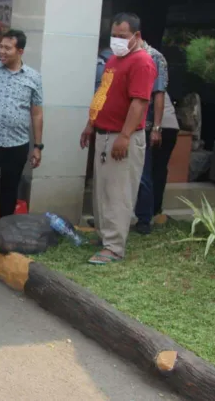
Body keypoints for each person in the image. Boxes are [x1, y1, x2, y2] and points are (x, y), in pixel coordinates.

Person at [80, 13, 156, 265]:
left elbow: (139, 103)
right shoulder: (115, 59)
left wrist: (124, 136)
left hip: (123, 137)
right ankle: (105, 236)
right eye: (113, 35)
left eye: (122, 36)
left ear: (137, 36)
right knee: (102, 191)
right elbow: (103, 93)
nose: (116, 41)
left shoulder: (142, 62)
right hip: (104, 134)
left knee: (118, 192)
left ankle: (114, 247)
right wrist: (91, 124)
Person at [0, 29, 44, 238]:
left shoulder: (33, 77)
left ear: (20, 51)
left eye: (7, 48)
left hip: (17, 144)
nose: (1, 51)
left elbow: (37, 113)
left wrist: (38, 146)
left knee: (10, 189)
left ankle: (3, 231)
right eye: (0, 47)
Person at [133, 39, 169, 235]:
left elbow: (159, 94)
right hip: (121, 125)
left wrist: (156, 127)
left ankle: (144, 218)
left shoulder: (154, 57)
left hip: (144, 126)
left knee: (143, 175)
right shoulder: (122, 56)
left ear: (136, 35)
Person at [152, 92, 180, 220]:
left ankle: (154, 209)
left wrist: (156, 129)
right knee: (159, 169)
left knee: (155, 169)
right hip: (168, 127)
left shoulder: (153, 78)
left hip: (162, 128)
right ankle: (154, 209)